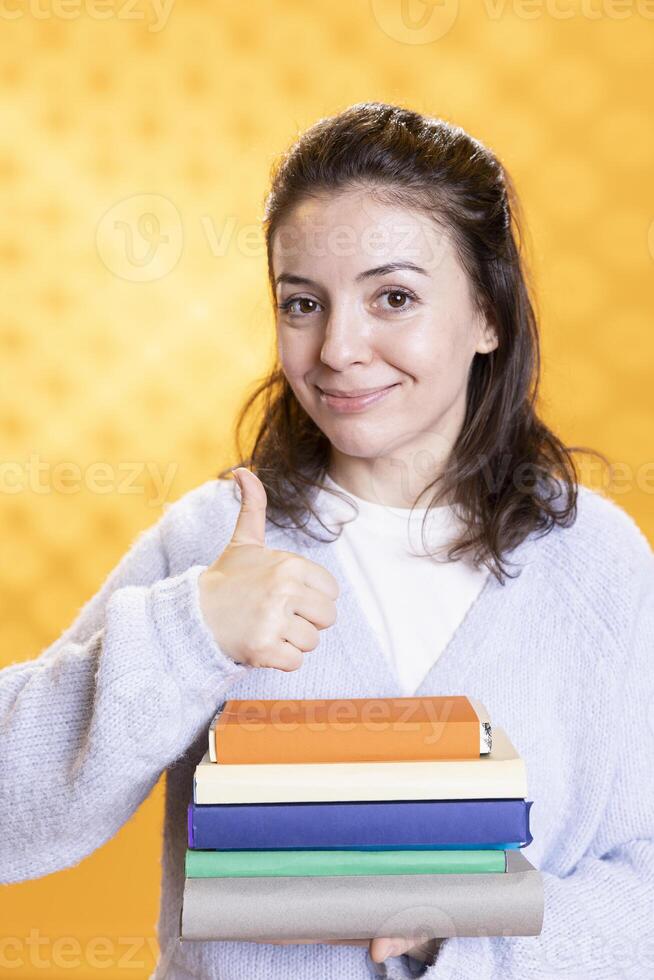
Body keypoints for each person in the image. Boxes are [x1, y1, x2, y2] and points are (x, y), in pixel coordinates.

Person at [1, 102, 652, 980]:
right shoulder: (212, 545)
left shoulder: (599, 568)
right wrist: (187, 631)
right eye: (303, 303)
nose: (339, 348)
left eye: (394, 297)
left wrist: (459, 929)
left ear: (489, 315)